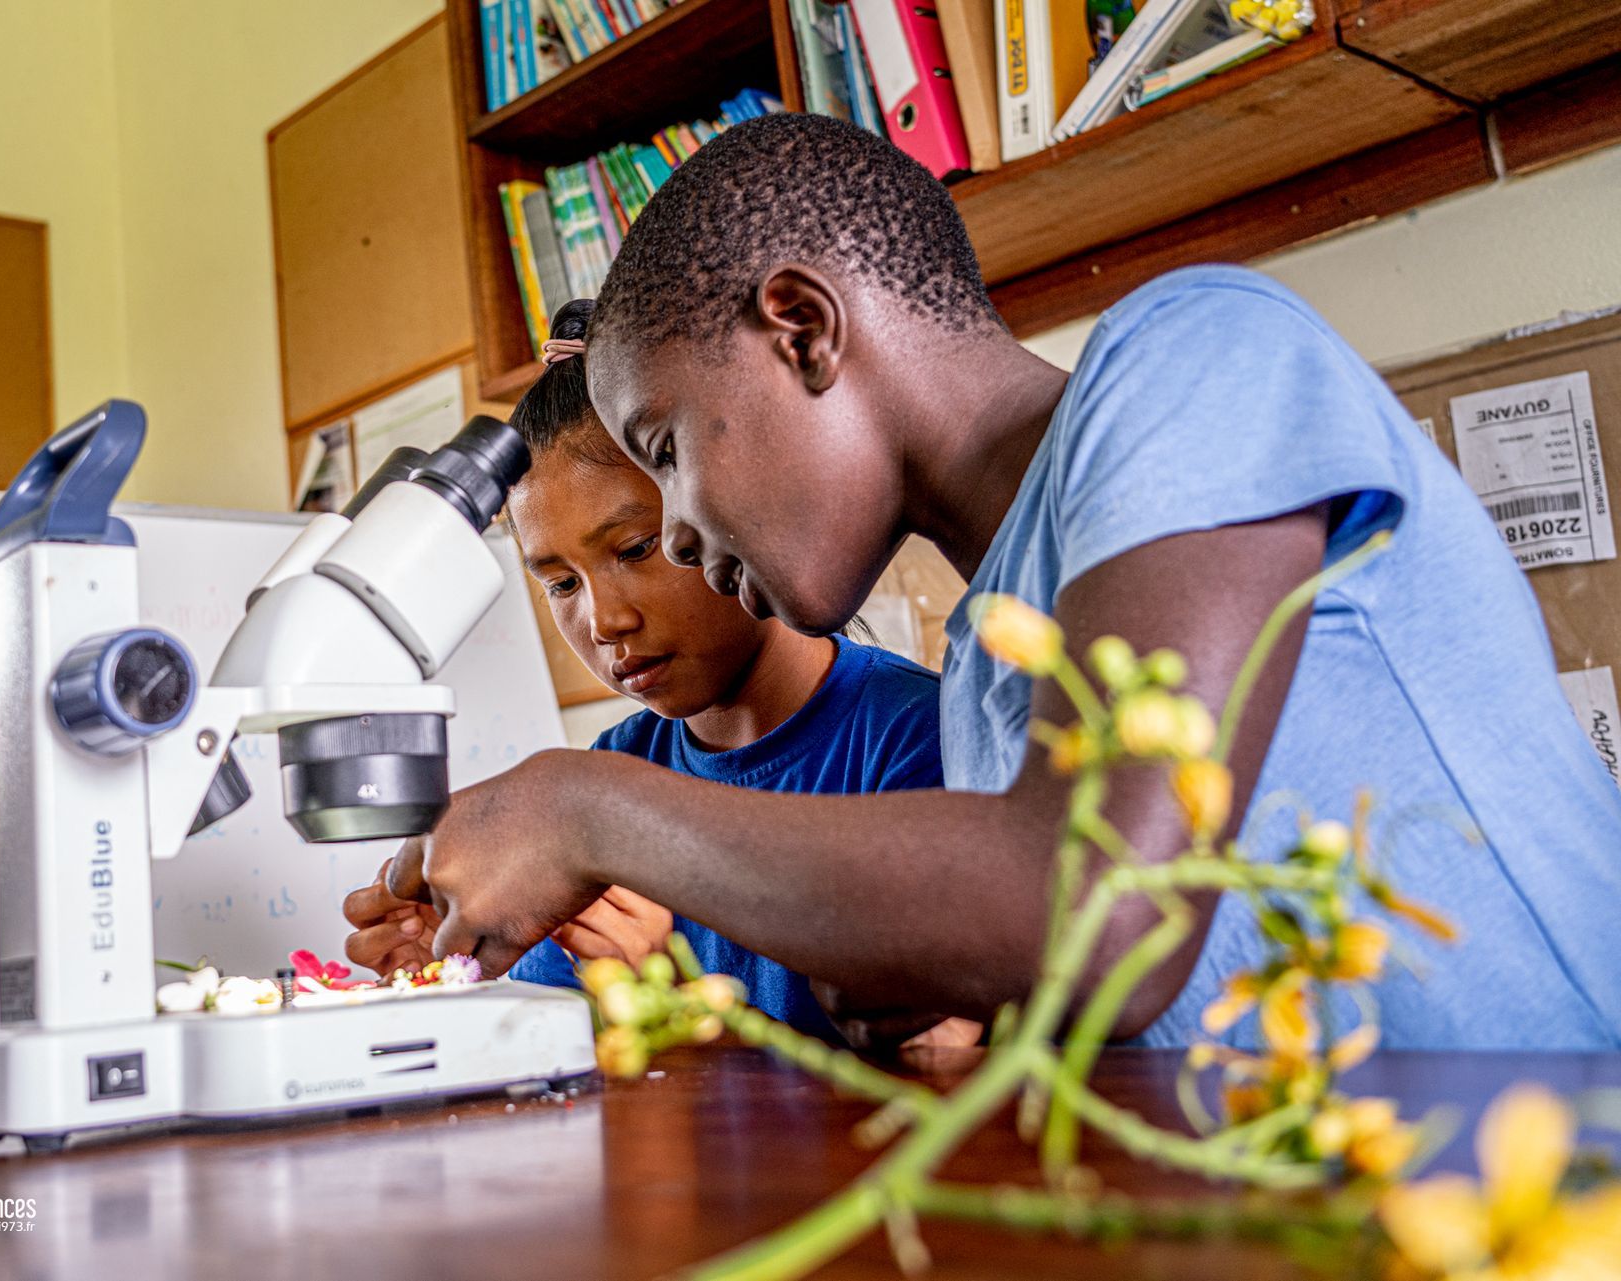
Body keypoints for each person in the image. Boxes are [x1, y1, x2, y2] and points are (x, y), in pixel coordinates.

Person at [380, 114, 1621, 1050]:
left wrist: (590, 808)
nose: (687, 529)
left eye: (666, 450)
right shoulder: (989, 663)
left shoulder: (1193, 353)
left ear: (804, 329)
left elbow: (1099, 911)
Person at [343, 298, 958, 1045]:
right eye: (561, 583)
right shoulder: (612, 774)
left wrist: (688, 1014)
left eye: (635, 549)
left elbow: (941, 1091)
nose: (604, 621)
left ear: (721, 501)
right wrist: (449, 979)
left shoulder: (917, 743)